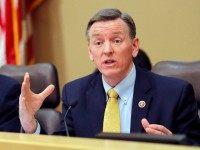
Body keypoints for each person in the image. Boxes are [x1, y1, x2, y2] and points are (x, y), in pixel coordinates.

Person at [19, 8, 200, 144]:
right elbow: (63, 144)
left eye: (116, 41)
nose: (107, 50)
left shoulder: (175, 93)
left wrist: (175, 145)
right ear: (90, 52)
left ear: (134, 46)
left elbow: (194, 144)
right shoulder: (75, 94)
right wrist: (31, 126)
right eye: (98, 43)